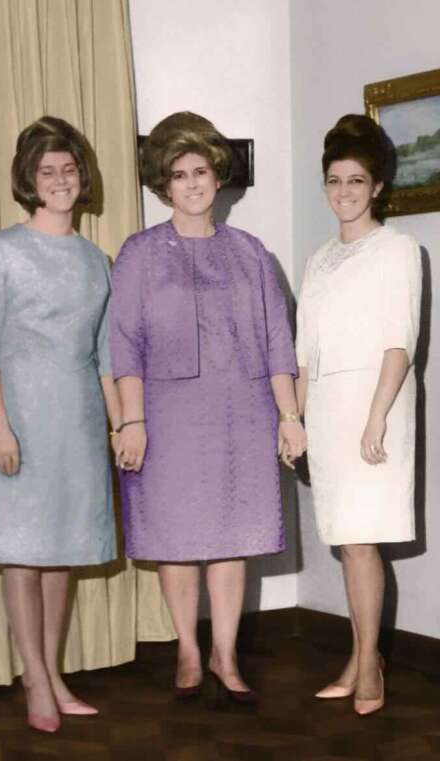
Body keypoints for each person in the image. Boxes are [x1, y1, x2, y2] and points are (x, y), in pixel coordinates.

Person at [110, 112, 303, 704]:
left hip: (242, 409)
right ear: (163, 185)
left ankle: (225, 653)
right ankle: (188, 652)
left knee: (230, 535)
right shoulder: (139, 253)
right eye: (179, 174)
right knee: (176, 535)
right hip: (166, 414)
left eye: (200, 171)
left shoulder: (251, 253)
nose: (192, 183)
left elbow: (277, 341)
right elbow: (124, 344)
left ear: (218, 177)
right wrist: (132, 421)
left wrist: (289, 417)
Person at [0, 116, 121, 733]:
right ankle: (34, 677)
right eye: (47, 171)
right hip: (20, 419)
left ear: (83, 177)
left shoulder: (96, 260)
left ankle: (53, 673)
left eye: (69, 169)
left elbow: (106, 358)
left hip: (78, 422)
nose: (60, 180)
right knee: (23, 554)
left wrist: (119, 427)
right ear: (29, 181)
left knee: (64, 555)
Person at [295, 114, 421, 716]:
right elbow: (303, 353)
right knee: (347, 543)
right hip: (325, 411)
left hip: (375, 408)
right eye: (334, 180)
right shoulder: (318, 259)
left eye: (355, 181)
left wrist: (375, 420)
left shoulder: (399, 250)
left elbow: (400, 343)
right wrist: (293, 418)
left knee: (362, 541)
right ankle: (359, 657)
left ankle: (369, 666)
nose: (343, 192)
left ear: (377, 187)